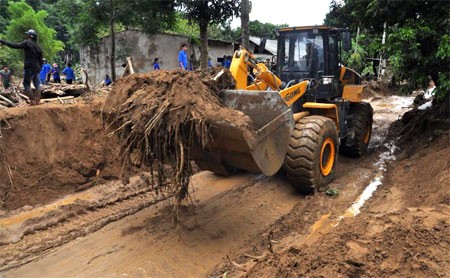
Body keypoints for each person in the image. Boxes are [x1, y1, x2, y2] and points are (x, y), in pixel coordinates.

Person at [0, 29, 43, 105]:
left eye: (27, 35)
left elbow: (15, 45)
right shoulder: (38, 46)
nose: (26, 36)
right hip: (37, 67)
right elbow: (41, 60)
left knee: (26, 84)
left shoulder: (27, 42)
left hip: (29, 66)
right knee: (37, 84)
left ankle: (32, 101)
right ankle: (38, 101)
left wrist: (3, 42)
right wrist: (40, 68)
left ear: (30, 36)